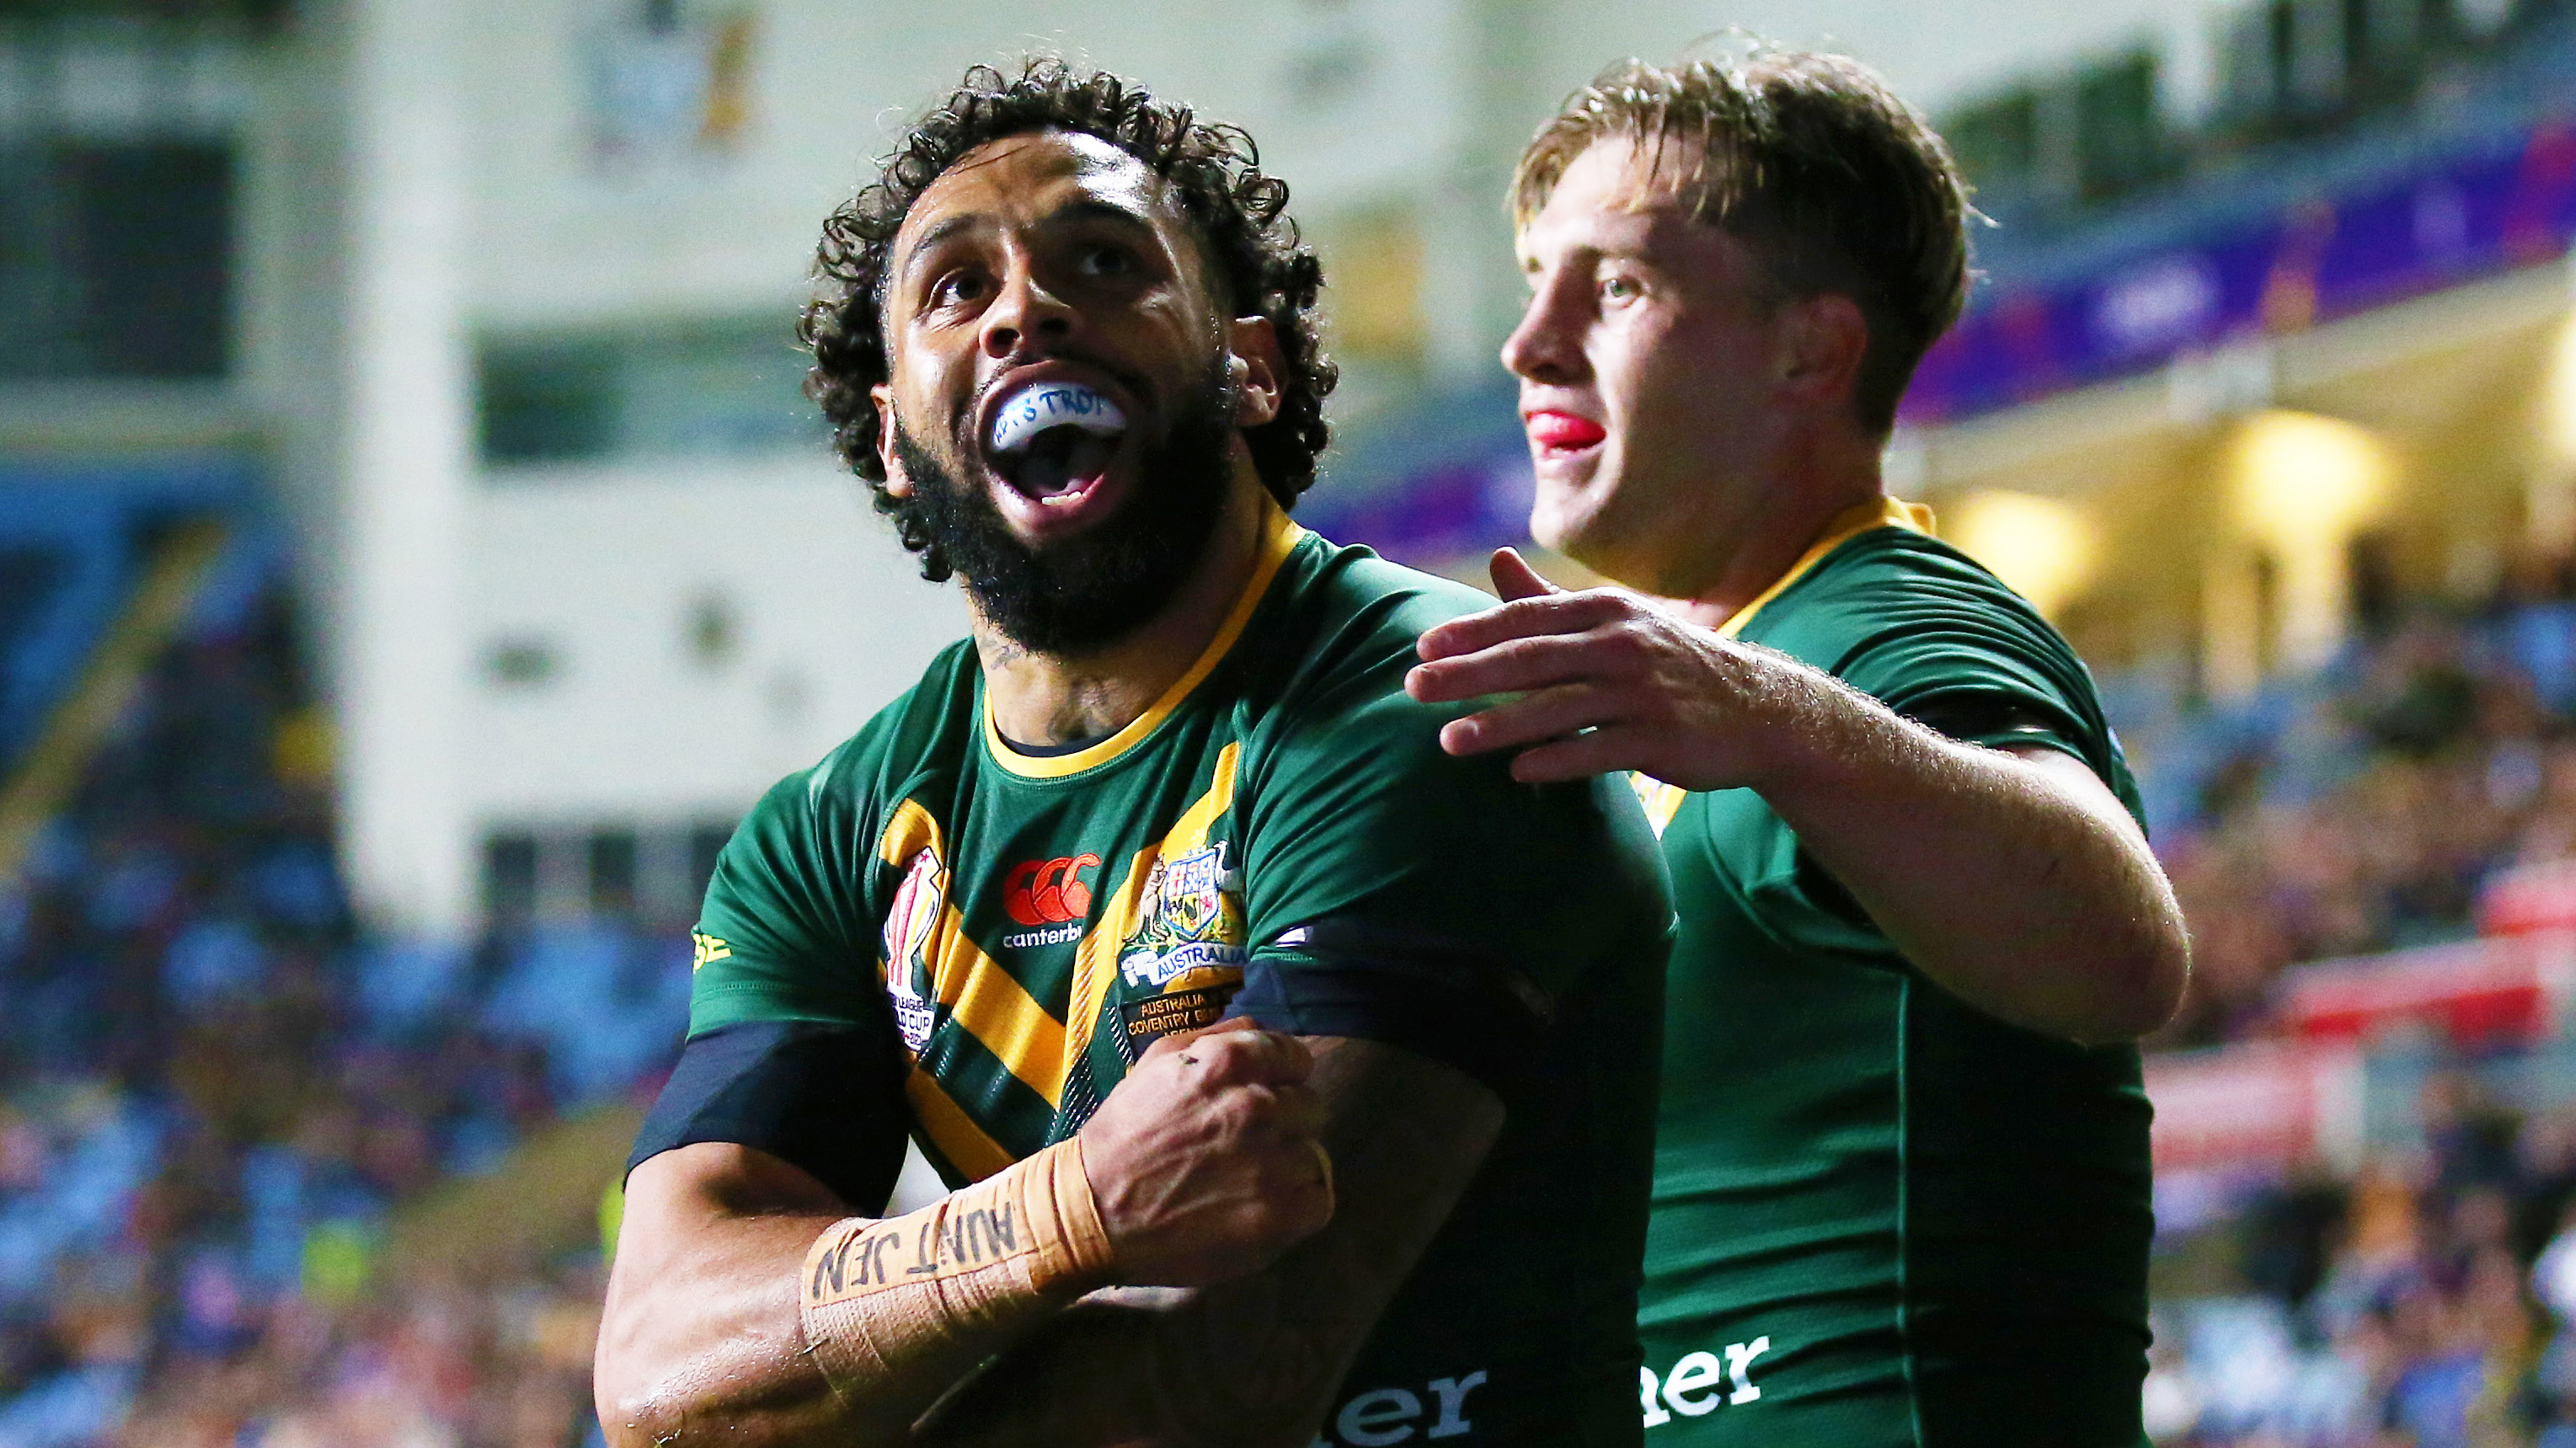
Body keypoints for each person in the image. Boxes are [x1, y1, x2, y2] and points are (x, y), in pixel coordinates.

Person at [592, 60, 1672, 1448]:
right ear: (893, 441)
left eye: (1103, 261)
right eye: (953, 288)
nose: (1023, 309)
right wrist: (1070, 1208)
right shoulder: (831, 834)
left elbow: (1214, 1384)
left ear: (1250, 367)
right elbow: (664, 1376)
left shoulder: (1429, 703)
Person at [1406, 51, 2193, 1446]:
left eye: (1619, 287)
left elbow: (2119, 948)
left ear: (1808, 352)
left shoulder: (1883, 628)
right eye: (1536, 282)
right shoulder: (1707, 683)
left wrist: (1771, 715)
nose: (1529, 344)